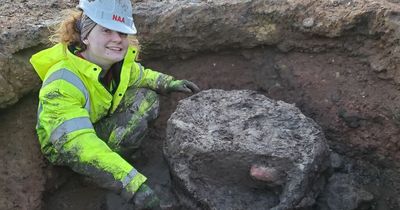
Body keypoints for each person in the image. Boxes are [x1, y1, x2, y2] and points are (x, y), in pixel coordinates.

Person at [30, 0, 199, 209]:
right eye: (107, 30)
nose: (117, 39)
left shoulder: (115, 64)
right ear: (85, 35)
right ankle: (95, 176)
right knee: (99, 145)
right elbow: (77, 143)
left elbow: (140, 76)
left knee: (146, 99)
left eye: (122, 33)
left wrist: (168, 83)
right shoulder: (62, 83)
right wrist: (133, 185)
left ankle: (114, 163)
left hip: (96, 121)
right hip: (66, 147)